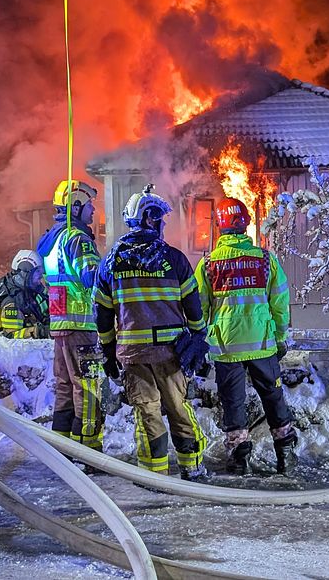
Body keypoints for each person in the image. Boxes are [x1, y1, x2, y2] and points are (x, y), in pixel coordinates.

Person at [93, 184, 210, 481]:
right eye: (160, 220)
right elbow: (193, 307)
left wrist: (108, 354)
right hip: (172, 354)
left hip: (134, 357)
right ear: (151, 219)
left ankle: (154, 478)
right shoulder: (174, 259)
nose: (161, 226)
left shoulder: (111, 262)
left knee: (148, 416)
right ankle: (192, 471)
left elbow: (103, 315)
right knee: (179, 411)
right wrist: (198, 339)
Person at [195, 198, 298, 476]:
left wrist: (203, 342)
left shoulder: (207, 264)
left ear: (220, 226)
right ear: (245, 225)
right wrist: (279, 337)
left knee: (233, 402)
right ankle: (286, 455)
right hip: (263, 345)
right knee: (273, 397)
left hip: (226, 348)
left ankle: (240, 458)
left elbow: (199, 308)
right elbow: (279, 303)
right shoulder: (265, 259)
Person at [36, 180, 105, 451]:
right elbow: (92, 278)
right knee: (87, 388)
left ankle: (64, 447)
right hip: (82, 326)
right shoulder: (78, 238)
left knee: (65, 386)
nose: (93, 212)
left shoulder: (52, 239)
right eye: (89, 206)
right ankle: (89, 451)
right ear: (75, 206)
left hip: (61, 325)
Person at [0, 250, 50, 339]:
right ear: (25, 273)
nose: (40, 276)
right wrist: (39, 332)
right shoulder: (13, 301)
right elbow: (10, 336)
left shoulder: (31, 291)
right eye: (37, 272)